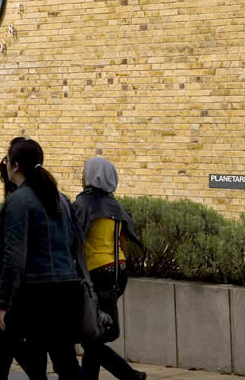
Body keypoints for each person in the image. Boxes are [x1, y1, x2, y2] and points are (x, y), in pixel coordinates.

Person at [0, 137, 83, 380]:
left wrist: (3, 302)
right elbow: (76, 243)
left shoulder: (18, 201)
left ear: (15, 165)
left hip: (30, 293)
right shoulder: (59, 199)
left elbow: (14, 257)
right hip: (66, 288)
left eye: (7, 160)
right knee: (64, 360)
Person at [75, 157, 146, 380]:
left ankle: (129, 375)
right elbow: (123, 241)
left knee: (90, 337)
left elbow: (74, 241)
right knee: (94, 335)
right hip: (117, 272)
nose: (82, 175)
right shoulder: (114, 204)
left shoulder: (83, 204)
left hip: (94, 274)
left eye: (84, 172)